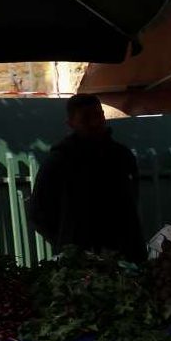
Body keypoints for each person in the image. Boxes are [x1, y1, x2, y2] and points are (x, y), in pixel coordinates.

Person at [27, 93, 144, 262]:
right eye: (86, 118)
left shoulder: (121, 156)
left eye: (98, 115)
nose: (95, 123)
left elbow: (132, 201)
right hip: (82, 263)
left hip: (126, 255)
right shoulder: (60, 161)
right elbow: (38, 212)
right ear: (71, 124)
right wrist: (69, 245)